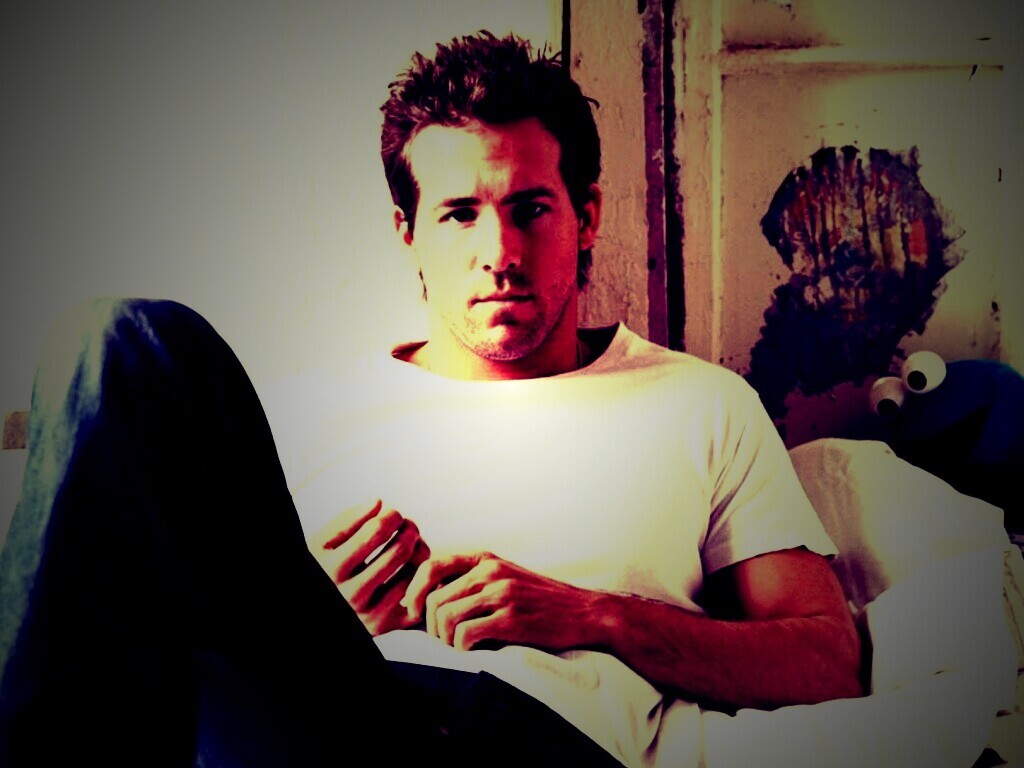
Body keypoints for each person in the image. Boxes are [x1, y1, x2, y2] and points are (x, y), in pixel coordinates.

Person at [0, 31, 862, 768]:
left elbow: (827, 660)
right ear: (407, 231)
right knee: (120, 341)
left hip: (521, 736)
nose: (501, 253)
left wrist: (591, 616)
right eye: (458, 215)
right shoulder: (295, 416)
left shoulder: (702, 403)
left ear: (588, 215)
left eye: (531, 208)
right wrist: (318, 619)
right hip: (314, 720)